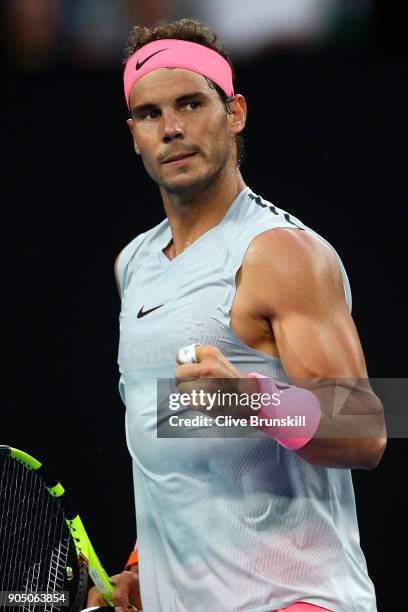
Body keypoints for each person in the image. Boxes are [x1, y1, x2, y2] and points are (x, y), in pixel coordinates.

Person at [87, 17, 386, 612]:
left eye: (192, 104)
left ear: (236, 113)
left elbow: (366, 428)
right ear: (133, 135)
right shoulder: (134, 265)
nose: (172, 128)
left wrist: (248, 398)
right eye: (150, 114)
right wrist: (149, 567)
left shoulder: (282, 254)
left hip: (295, 600)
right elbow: (177, 450)